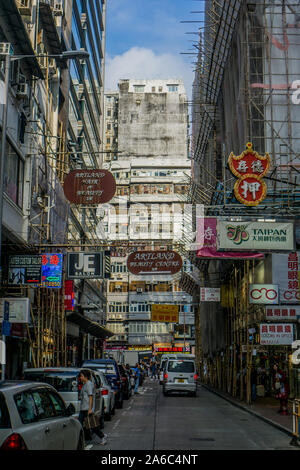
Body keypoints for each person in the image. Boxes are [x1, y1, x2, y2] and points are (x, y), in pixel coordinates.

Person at [78, 369, 107, 445]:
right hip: (83, 408)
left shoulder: (89, 384)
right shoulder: (85, 384)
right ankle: (86, 439)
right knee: (83, 425)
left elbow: (91, 397)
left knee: (92, 425)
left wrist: (90, 409)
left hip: (87, 408)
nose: (80, 377)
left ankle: (102, 437)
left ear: (86, 376)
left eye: (81, 376)